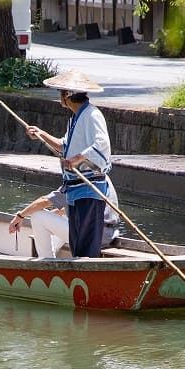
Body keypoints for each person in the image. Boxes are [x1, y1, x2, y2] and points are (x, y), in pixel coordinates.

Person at [24, 70, 112, 257]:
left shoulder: (92, 114)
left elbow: (101, 144)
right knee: (77, 240)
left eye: (61, 93)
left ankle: (86, 274)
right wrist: (41, 133)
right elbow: (65, 146)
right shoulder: (75, 118)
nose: (60, 97)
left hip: (89, 188)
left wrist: (77, 158)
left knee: (85, 242)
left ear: (68, 95)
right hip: (75, 189)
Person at [7, 176, 120, 258]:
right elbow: (79, 206)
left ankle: (47, 262)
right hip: (109, 235)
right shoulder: (103, 178)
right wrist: (56, 213)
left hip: (90, 237)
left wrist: (20, 216)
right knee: (67, 218)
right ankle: (53, 253)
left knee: (37, 215)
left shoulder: (80, 179)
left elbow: (44, 200)